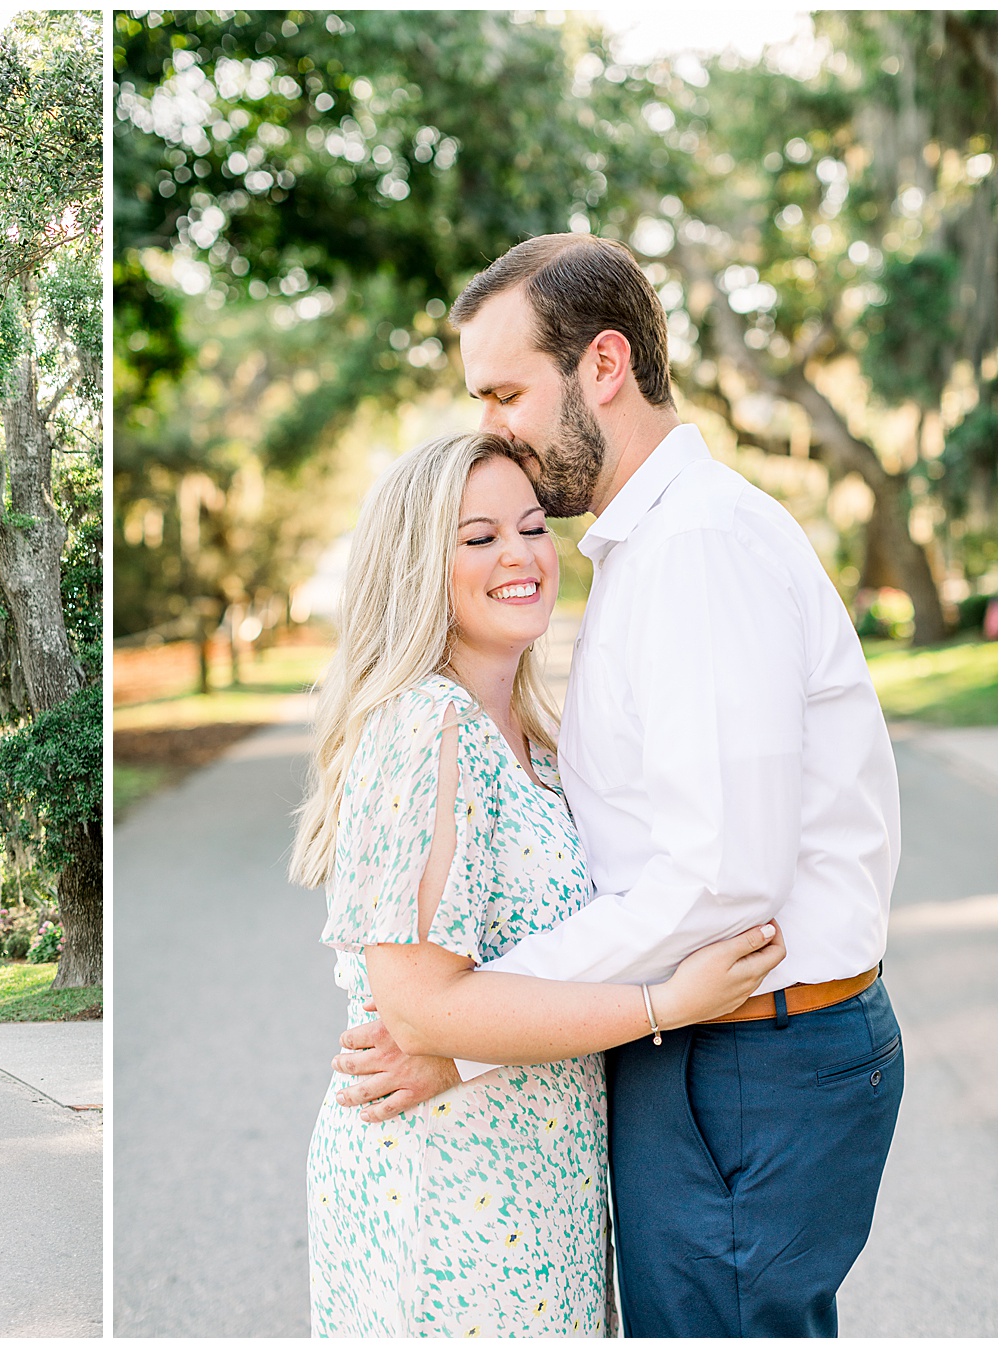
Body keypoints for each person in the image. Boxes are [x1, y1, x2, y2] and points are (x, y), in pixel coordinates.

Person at [329, 234, 903, 1337]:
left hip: (750, 1056)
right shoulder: (646, 549)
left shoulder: (698, 549)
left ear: (603, 366)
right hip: (705, 1044)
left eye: (506, 390)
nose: (491, 424)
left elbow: (716, 880)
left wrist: (459, 1027)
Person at [292, 430, 787, 1337]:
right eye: (478, 538)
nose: (521, 556)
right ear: (417, 565)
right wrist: (663, 1003)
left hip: (539, 1176)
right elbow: (420, 1011)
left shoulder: (544, 751)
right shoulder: (423, 727)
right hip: (448, 1184)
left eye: (530, 528)